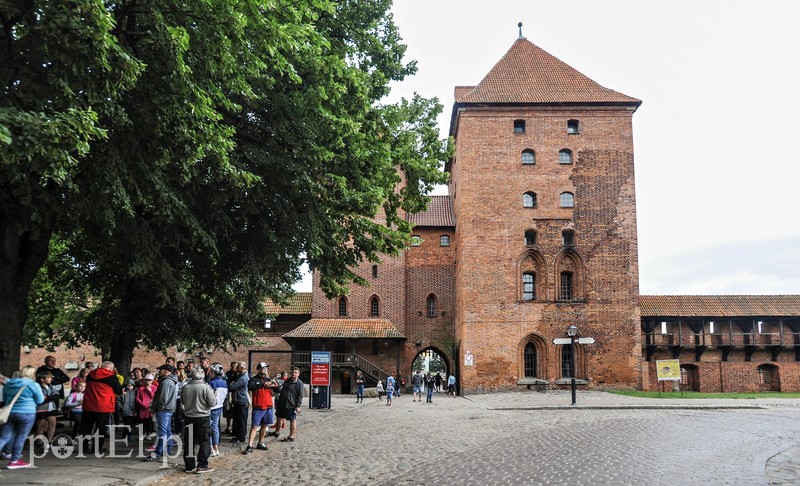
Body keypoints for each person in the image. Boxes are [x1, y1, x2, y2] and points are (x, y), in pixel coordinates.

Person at [0, 366, 45, 469]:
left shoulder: (9, 384)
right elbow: (40, 400)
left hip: (10, 413)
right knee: (20, 437)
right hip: (27, 413)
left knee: (4, 436)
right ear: (32, 374)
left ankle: (8, 454)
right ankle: (14, 461)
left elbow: (6, 399)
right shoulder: (33, 385)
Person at [79, 361, 123, 454]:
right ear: (111, 369)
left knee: (85, 427)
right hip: (103, 406)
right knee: (100, 428)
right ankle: (96, 448)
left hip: (89, 405)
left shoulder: (91, 375)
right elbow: (118, 391)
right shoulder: (112, 377)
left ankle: (83, 447)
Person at [180, 369, 217, 474]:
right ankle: (202, 465)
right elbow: (212, 403)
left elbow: (182, 402)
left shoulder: (185, 387)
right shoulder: (206, 387)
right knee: (204, 441)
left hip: (188, 416)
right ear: (203, 377)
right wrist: (215, 396)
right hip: (202, 416)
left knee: (189, 442)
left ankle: (189, 465)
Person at [145, 364, 178, 462]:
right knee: (167, 431)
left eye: (161, 370)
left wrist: (159, 408)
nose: (159, 372)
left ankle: (157, 453)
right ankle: (167, 450)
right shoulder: (170, 381)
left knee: (162, 432)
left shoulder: (166, 382)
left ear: (166, 371)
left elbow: (163, 398)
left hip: (164, 410)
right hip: (168, 409)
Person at [243, 363, 276, 454]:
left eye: (266, 368)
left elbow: (273, 392)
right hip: (258, 406)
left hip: (268, 406)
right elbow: (250, 387)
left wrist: (275, 386)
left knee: (264, 425)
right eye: (263, 368)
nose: (265, 369)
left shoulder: (268, 379)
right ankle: (249, 445)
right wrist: (262, 384)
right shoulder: (253, 379)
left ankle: (261, 442)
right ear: (258, 370)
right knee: (254, 426)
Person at [272, 367, 303, 442]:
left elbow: (300, 395)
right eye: (292, 372)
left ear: (298, 374)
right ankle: (277, 432)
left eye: (295, 372)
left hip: (291, 405)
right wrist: (275, 387)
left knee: (292, 420)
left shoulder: (299, 383)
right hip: (282, 403)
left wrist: (298, 406)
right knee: (279, 417)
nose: (293, 374)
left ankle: (291, 436)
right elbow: (280, 389)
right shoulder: (286, 381)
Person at [34, 370, 61, 452]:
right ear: (42, 379)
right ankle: (39, 443)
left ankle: (49, 442)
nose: (51, 379)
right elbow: (40, 400)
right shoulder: (38, 387)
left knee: (52, 424)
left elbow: (56, 395)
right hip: (41, 409)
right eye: (48, 378)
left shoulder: (51, 387)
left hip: (51, 408)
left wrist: (47, 398)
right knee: (41, 426)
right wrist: (49, 398)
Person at [207, 363, 227, 457]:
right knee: (215, 428)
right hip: (220, 406)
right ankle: (216, 448)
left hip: (212, 408)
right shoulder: (224, 383)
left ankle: (211, 448)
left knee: (209, 428)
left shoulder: (212, 383)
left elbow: (209, 396)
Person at [228, 362, 249, 444]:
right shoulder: (241, 376)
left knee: (241, 420)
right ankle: (239, 435)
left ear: (243, 368)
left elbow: (232, 387)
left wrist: (232, 383)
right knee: (238, 419)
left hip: (241, 401)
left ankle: (241, 437)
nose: (236, 369)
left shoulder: (243, 378)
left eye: (238, 367)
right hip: (238, 400)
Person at [135, 374, 157, 439]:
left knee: (149, 422)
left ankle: (148, 434)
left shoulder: (154, 388)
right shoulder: (141, 388)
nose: (148, 382)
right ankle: (143, 434)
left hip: (150, 407)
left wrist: (150, 391)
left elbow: (155, 397)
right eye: (147, 380)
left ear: (152, 381)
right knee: (142, 421)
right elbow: (137, 397)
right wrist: (141, 403)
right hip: (143, 407)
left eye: (150, 380)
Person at [118, 379, 137, 444]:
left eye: (131, 385)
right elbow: (118, 400)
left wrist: (136, 410)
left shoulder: (135, 392)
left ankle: (125, 434)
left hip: (133, 410)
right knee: (127, 423)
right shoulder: (123, 392)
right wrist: (121, 407)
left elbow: (136, 402)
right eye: (128, 385)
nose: (129, 387)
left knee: (131, 423)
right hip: (125, 411)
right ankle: (128, 435)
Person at [223, 361, 237, 434]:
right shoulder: (228, 373)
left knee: (234, 411)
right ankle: (228, 427)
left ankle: (234, 427)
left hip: (234, 394)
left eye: (233, 366)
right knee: (228, 411)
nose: (232, 367)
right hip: (228, 393)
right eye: (231, 366)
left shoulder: (238, 374)